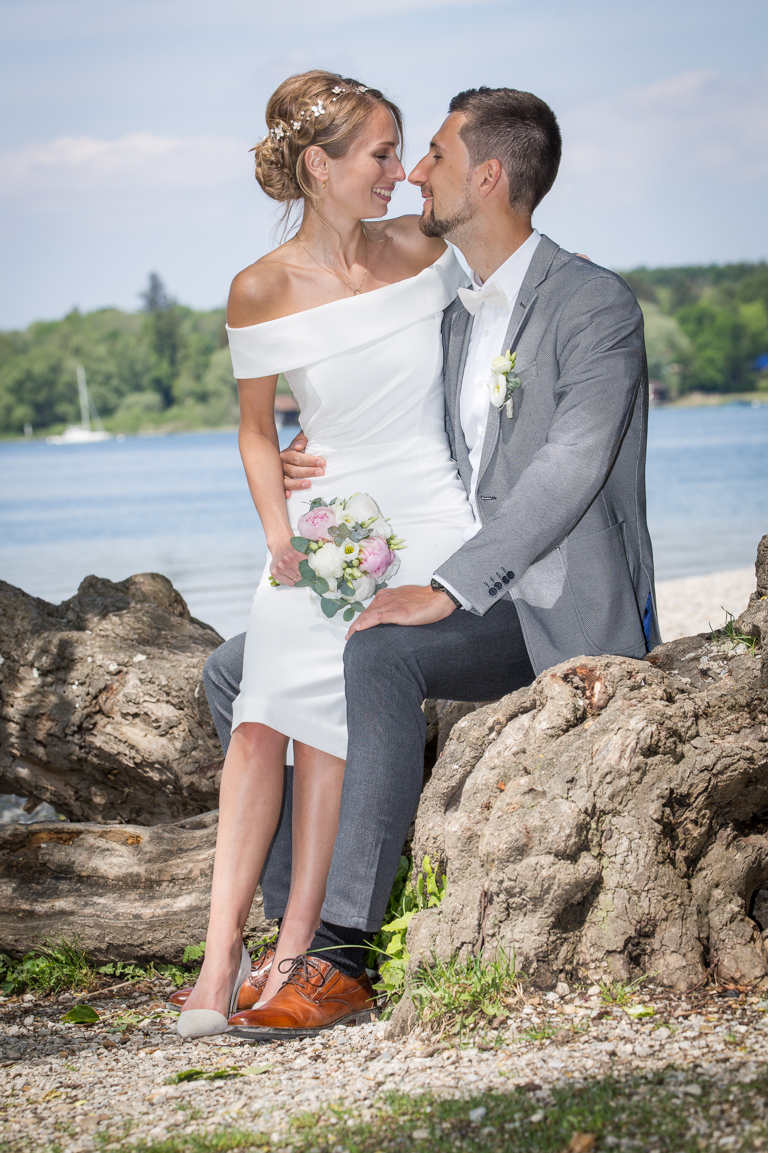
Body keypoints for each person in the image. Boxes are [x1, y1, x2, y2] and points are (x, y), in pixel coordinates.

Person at [225, 85, 660, 1039]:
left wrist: (449, 586)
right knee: (234, 673)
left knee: (381, 653)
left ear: (489, 177)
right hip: (442, 558)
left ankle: (341, 955)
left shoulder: (593, 305)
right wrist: (304, 455)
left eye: (433, 155)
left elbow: (569, 468)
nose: (415, 172)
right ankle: (289, 926)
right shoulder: (453, 305)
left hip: (547, 603)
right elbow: (381, 403)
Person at [176, 69, 486, 1038]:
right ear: (319, 165)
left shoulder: (423, 246)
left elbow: (500, 317)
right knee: (260, 714)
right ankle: (221, 955)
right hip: (324, 519)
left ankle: (300, 947)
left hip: (429, 514)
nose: (400, 171)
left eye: (402, 151)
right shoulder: (260, 288)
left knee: (330, 717)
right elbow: (255, 431)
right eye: (381, 153)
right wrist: (278, 534)